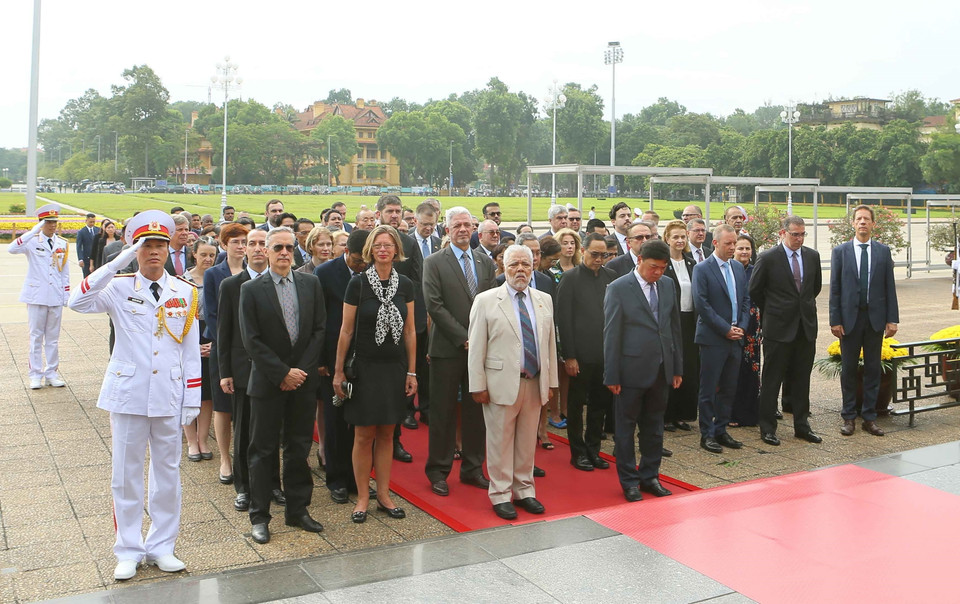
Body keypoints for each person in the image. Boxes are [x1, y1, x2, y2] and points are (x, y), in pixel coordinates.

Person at [68, 210, 201, 581]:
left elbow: (190, 351)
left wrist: (192, 397)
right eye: (146, 246)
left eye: (160, 244)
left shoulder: (185, 292)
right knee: (125, 475)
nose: (154, 252)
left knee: (167, 473)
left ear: (169, 246)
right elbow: (77, 302)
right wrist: (121, 258)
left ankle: (162, 546)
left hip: (169, 394)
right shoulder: (118, 286)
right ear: (136, 249)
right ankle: (127, 549)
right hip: (128, 393)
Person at [239, 227, 326, 544]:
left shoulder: (310, 284)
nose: (285, 253)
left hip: (302, 382)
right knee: (262, 451)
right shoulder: (251, 290)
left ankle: (298, 510)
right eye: (278, 247)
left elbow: (319, 330)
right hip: (267, 382)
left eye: (290, 247)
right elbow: (252, 340)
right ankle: (260, 516)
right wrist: (281, 373)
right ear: (265, 250)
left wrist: (299, 371)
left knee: (298, 447)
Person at [333, 225, 416, 523]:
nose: (383, 249)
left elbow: (409, 332)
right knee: (363, 434)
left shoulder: (405, 284)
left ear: (396, 250)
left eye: (388, 245)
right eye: (378, 245)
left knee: (387, 433)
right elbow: (346, 330)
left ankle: (383, 493)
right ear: (370, 249)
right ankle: (363, 496)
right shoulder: (357, 284)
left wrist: (412, 371)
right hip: (365, 369)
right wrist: (338, 371)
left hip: (394, 368)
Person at [468, 245, 558, 520]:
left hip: (534, 381)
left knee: (527, 440)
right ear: (503, 268)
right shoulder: (485, 300)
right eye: (514, 264)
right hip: (499, 383)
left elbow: (550, 344)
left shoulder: (543, 299)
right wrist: (477, 385)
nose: (520, 269)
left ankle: (525, 490)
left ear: (533, 267)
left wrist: (552, 382)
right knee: (500, 441)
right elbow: (476, 347)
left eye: (525, 264)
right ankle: (501, 494)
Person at [422, 206, 497, 497]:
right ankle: (438, 471)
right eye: (457, 226)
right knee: (442, 412)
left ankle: (473, 468)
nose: (463, 230)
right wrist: (465, 338)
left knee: (476, 409)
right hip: (447, 349)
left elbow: (492, 303)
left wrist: (480, 341)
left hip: (481, 351)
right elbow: (434, 304)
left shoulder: (484, 262)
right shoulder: (434, 262)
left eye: (467, 225)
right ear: (447, 230)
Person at [604, 239, 682, 502]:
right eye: (653, 267)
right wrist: (612, 374)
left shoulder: (668, 285)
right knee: (625, 429)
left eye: (663, 268)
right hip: (629, 370)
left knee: (655, 427)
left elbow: (674, 329)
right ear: (639, 260)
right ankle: (629, 481)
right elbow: (611, 334)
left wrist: (676, 367)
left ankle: (650, 476)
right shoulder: (618, 288)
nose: (658, 273)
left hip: (661, 369)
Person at [217, 228, 282, 513]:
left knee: (272, 430)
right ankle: (244, 487)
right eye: (250, 244)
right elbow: (224, 331)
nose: (255, 248)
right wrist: (225, 372)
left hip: (274, 369)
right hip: (243, 370)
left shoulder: (282, 282)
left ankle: (273, 484)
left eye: (260, 244)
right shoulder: (232, 285)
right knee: (244, 431)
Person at [750, 217, 823, 444]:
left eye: (802, 234)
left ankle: (802, 425)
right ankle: (768, 428)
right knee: (773, 379)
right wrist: (775, 310)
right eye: (795, 234)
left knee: (802, 380)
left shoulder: (812, 256)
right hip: (778, 329)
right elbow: (755, 291)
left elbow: (815, 288)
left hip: (805, 329)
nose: (799, 239)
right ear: (783, 233)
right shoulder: (768, 258)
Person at [830, 205, 899, 437]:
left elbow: (890, 286)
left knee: (872, 369)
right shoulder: (841, 252)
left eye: (866, 219)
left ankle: (869, 417)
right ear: (852, 223)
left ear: (872, 224)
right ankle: (849, 416)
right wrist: (835, 320)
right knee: (849, 369)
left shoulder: (882, 251)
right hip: (849, 320)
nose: (862, 222)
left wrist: (892, 319)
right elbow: (835, 290)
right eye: (858, 219)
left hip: (875, 319)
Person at [315, 229, 369, 503]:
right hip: (332, 359)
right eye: (359, 260)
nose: (363, 265)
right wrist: (323, 361)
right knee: (336, 422)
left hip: (363, 360)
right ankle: (336, 479)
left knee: (360, 423)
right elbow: (319, 320)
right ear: (346, 252)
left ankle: (357, 478)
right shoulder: (325, 274)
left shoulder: (372, 272)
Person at [556, 233, 615, 471]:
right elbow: (563, 319)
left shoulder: (611, 277)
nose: (599, 259)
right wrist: (569, 355)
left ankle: (593, 450)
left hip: (605, 354)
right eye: (594, 254)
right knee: (576, 404)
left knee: (600, 405)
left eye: (604, 255)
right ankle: (577, 452)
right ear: (584, 251)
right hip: (579, 355)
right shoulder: (570, 278)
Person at [692, 225, 751, 454]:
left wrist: (742, 327)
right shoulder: (702, 269)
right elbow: (702, 305)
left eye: (734, 242)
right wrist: (725, 329)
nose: (733, 247)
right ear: (715, 243)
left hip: (735, 337)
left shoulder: (737, 267)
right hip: (713, 338)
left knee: (728, 387)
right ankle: (706, 434)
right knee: (708, 389)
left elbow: (745, 300)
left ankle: (721, 429)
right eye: (728, 243)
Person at [203, 223, 250, 488]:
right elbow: (212, 313)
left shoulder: (254, 271)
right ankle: (224, 458)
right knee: (222, 405)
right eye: (235, 242)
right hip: (224, 346)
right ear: (224, 245)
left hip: (249, 349)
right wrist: (227, 343)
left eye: (244, 241)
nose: (241, 246)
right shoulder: (214, 274)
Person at [9, 203, 70, 389]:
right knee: (36, 337)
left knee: (53, 338)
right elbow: (11, 248)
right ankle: (35, 374)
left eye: (54, 222)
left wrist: (66, 294)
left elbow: (64, 272)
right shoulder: (32, 241)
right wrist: (32, 231)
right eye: (48, 222)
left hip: (55, 296)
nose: (52, 225)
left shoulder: (62, 244)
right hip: (36, 295)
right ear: (41, 223)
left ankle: (51, 373)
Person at [182, 237, 218, 468]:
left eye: (212, 255)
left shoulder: (217, 279)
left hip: (211, 337)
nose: (207, 259)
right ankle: (190, 441)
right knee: (188, 390)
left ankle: (203, 440)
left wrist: (214, 343)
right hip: (187, 337)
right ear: (194, 254)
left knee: (207, 394)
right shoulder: (182, 281)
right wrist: (191, 346)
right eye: (203, 254)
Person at [661, 220, 698, 432]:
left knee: (688, 367)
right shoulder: (663, 264)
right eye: (675, 236)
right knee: (671, 366)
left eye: (683, 236)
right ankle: (667, 414)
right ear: (667, 238)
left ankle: (683, 414)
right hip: (670, 321)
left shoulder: (691, 262)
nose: (680, 240)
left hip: (689, 320)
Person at [730, 234, 761, 429]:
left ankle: (750, 413)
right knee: (733, 370)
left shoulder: (756, 270)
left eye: (747, 248)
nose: (744, 252)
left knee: (752, 369)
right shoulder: (728, 269)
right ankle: (731, 412)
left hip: (753, 327)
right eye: (740, 248)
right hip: (733, 326)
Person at [76, 212, 99, 277]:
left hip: (96, 258)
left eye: (93, 222)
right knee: (87, 276)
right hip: (86, 258)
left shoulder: (98, 230)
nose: (92, 223)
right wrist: (80, 259)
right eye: (90, 222)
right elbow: (79, 246)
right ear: (86, 221)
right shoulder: (81, 232)